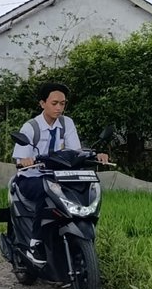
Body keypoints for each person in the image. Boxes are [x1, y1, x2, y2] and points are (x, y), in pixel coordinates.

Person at [10, 82, 109, 263]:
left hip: (59, 176)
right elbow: (20, 160)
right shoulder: (31, 127)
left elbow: (75, 152)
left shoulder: (67, 123)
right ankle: (35, 244)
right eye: (54, 103)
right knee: (46, 192)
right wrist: (25, 160)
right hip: (32, 177)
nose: (59, 108)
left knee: (83, 189)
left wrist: (94, 155)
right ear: (42, 103)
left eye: (62, 104)